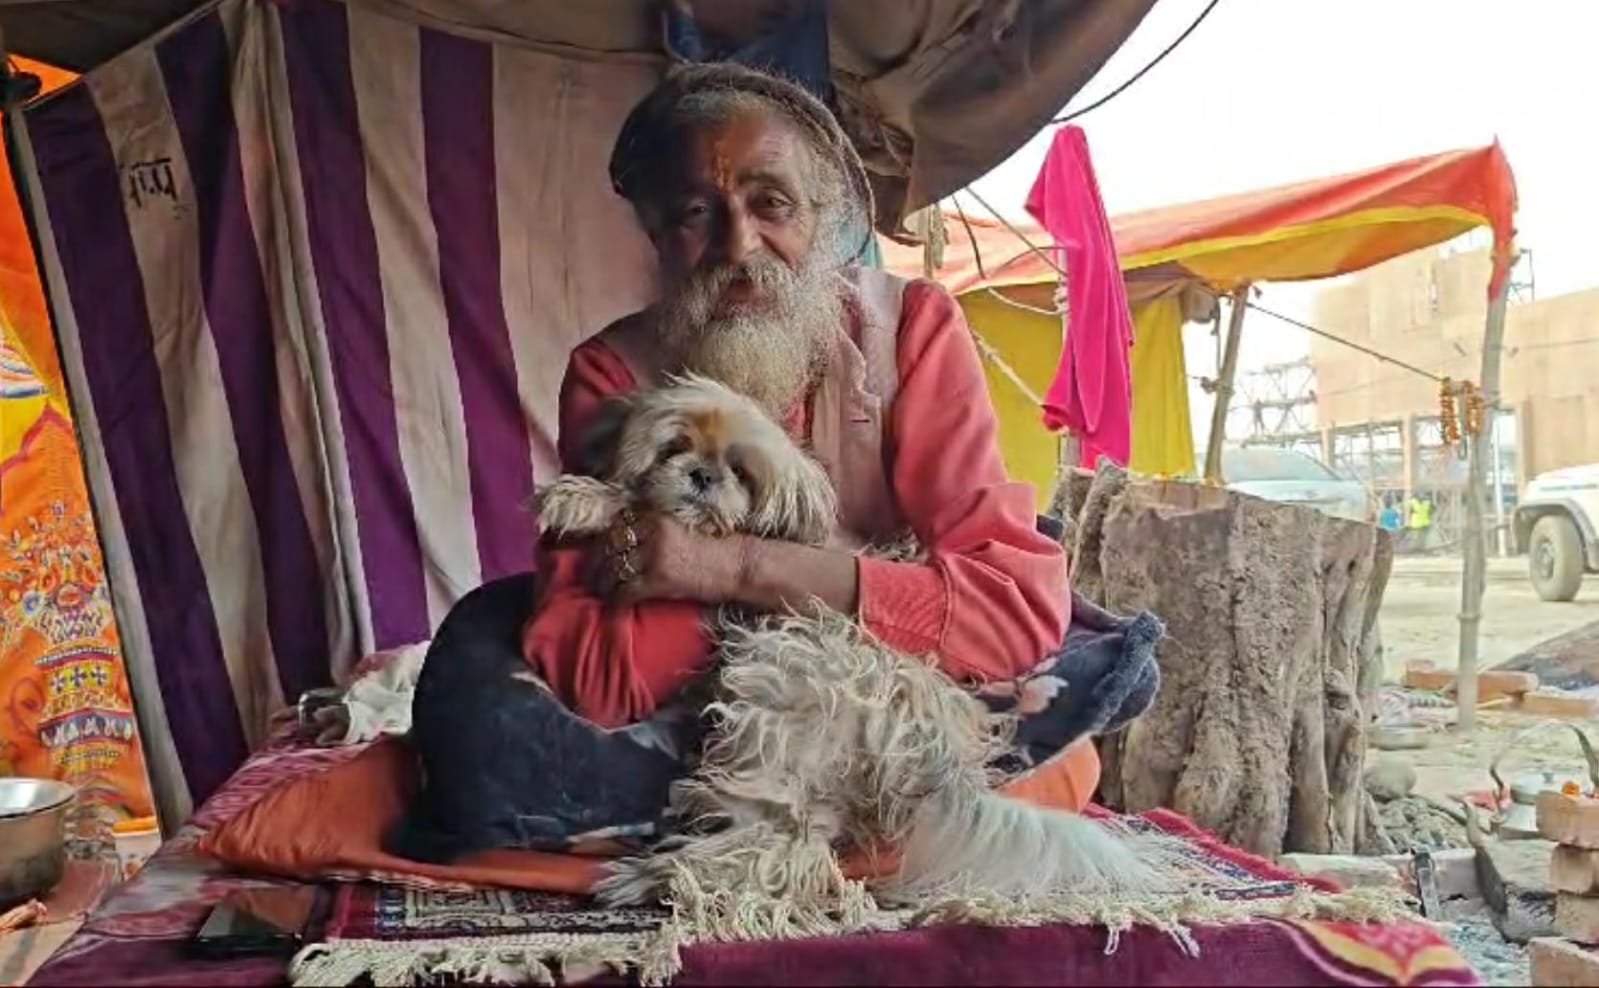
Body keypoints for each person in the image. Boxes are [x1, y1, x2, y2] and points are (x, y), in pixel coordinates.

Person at [393, 64, 1091, 863]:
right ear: (657, 238)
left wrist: (727, 567)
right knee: (488, 738)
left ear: (825, 218)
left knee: (1051, 741)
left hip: (885, 696)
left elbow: (1010, 613)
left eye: (772, 203)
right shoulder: (613, 372)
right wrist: (867, 594)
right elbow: (601, 675)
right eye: (696, 212)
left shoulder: (910, 332)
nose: (738, 244)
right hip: (750, 697)